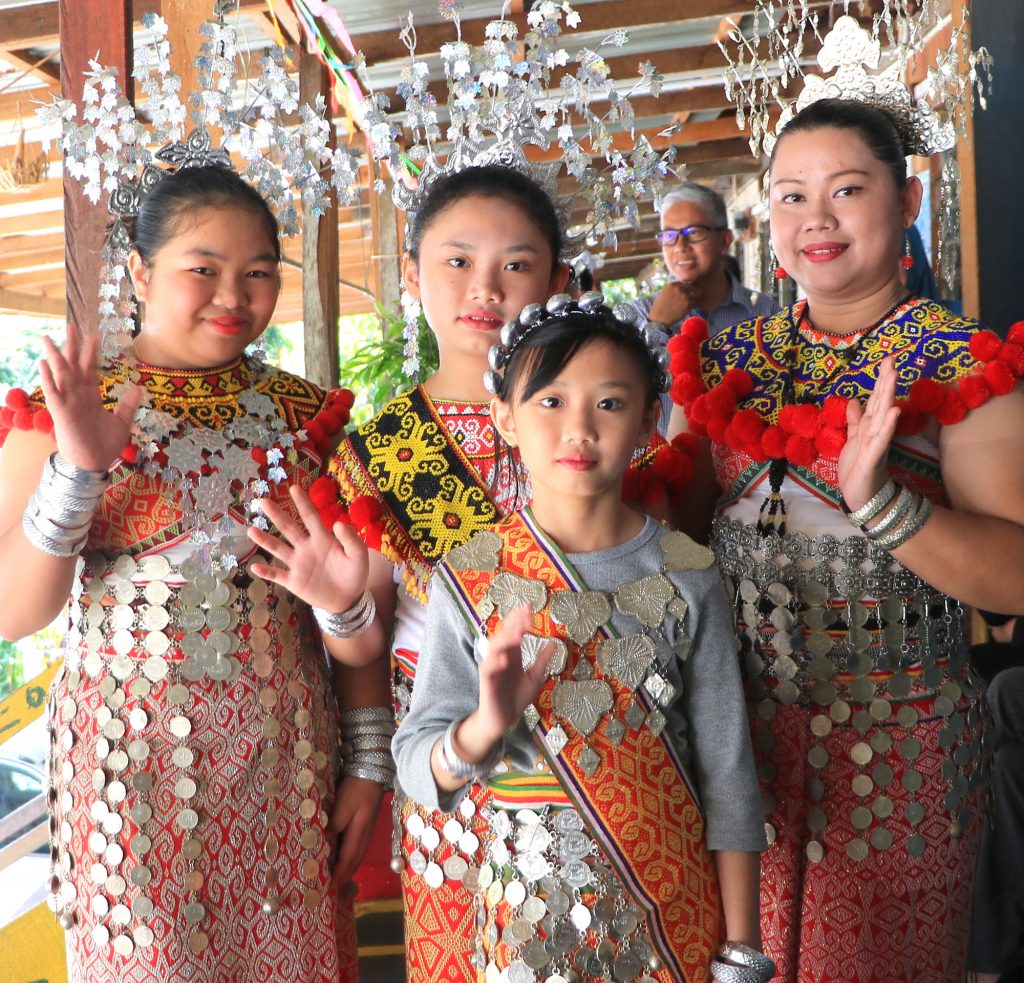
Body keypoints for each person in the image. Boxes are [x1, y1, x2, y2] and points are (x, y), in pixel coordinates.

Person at [666, 96, 1024, 982]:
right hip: (735, 749)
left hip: (897, 761)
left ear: (906, 203)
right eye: (790, 196)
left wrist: (884, 507)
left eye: (846, 190)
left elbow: (1014, 578)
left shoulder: (961, 363)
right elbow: (673, 535)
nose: (814, 220)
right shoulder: (723, 365)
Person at [0, 165, 384, 982]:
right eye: (202, 268)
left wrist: (369, 758)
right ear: (140, 271)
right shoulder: (67, 404)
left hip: (287, 763)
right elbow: (12, 612)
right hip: (130, 776)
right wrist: (76, 468)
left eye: (258, 273)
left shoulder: (305, 414)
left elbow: (348, 600)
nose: (233, 295)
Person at [388, 298, 769, 983]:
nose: (580, 429)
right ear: (505, 416)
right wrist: (482, 729)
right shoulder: (469, 576)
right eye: (551, 400)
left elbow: (728, 773)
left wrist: (740, 955)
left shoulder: (687, 573)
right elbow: (418, 763)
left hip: (670, 912)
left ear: (650, 420)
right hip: (521, 921)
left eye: (611, 404)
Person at [633, 182, 776, 340]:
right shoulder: (639, 314)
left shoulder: (765, 312)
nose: (680, 246)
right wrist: (656, 325)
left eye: (694, 232)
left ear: (725, 240)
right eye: (669, 235)